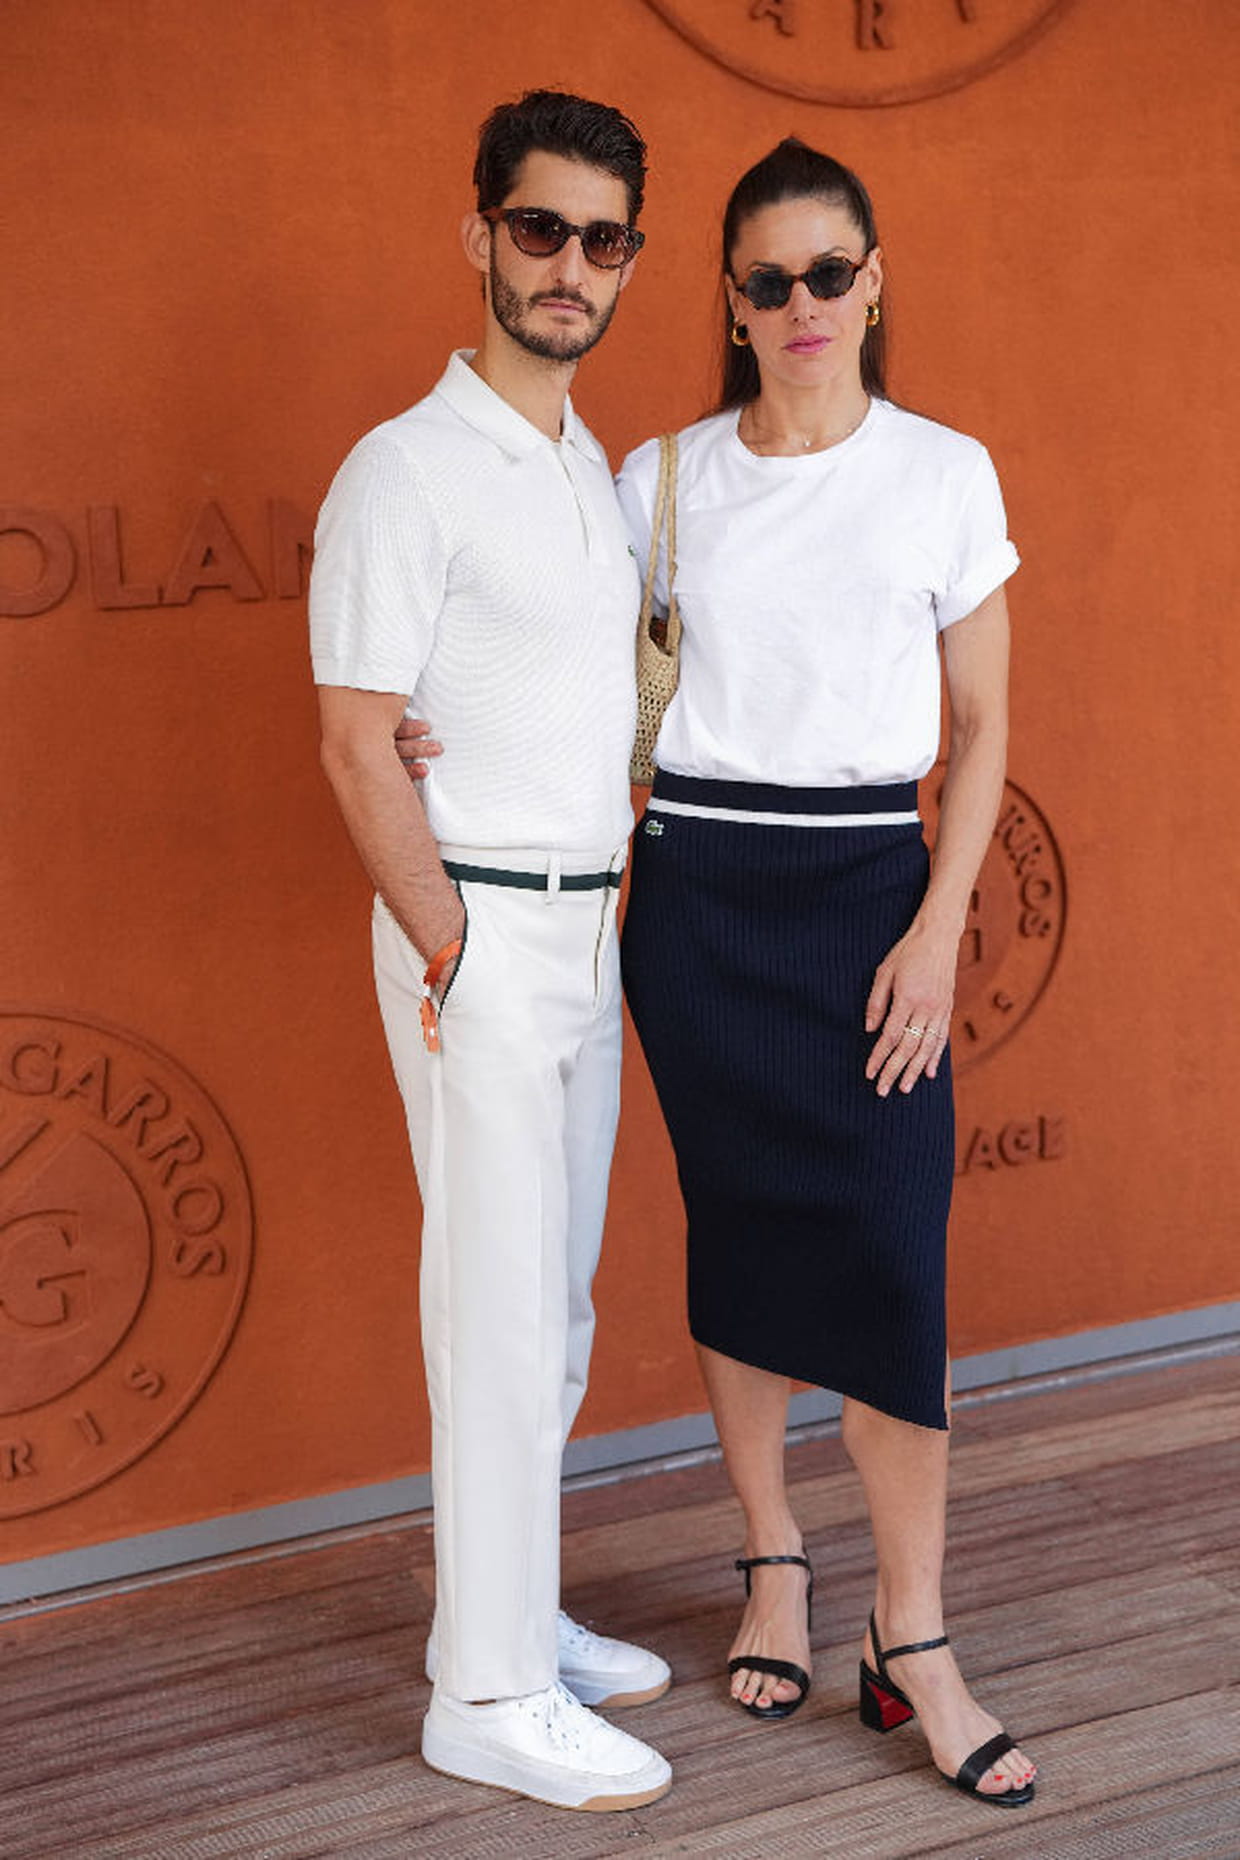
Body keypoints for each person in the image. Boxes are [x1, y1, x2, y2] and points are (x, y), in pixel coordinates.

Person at [614, 139, 1037, 1809]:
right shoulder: (660, 480)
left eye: (830, 272)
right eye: (769, 278)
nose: (802, 302)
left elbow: (984, 729)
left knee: (890, 1266)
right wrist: (429, 734)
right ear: (730, 300)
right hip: (700, 902)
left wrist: (934, 930)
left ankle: (911, 1634)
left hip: (870, 894)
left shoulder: (943, 473)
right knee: (738, 1234)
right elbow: (566, 672)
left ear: (875, 283)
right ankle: (773, 1557)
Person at [308, 90, 672, 1814]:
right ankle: (487, 1695)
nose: (569, 266)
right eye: (540, 229)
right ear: (480, 236)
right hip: (482, 934)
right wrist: (450, 946)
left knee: (555, 1304)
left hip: (582, 929)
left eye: (603, 239)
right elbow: (352, 738)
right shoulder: (404, 467)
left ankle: (510, 1615)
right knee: (496, 1309)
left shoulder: (588, 467)